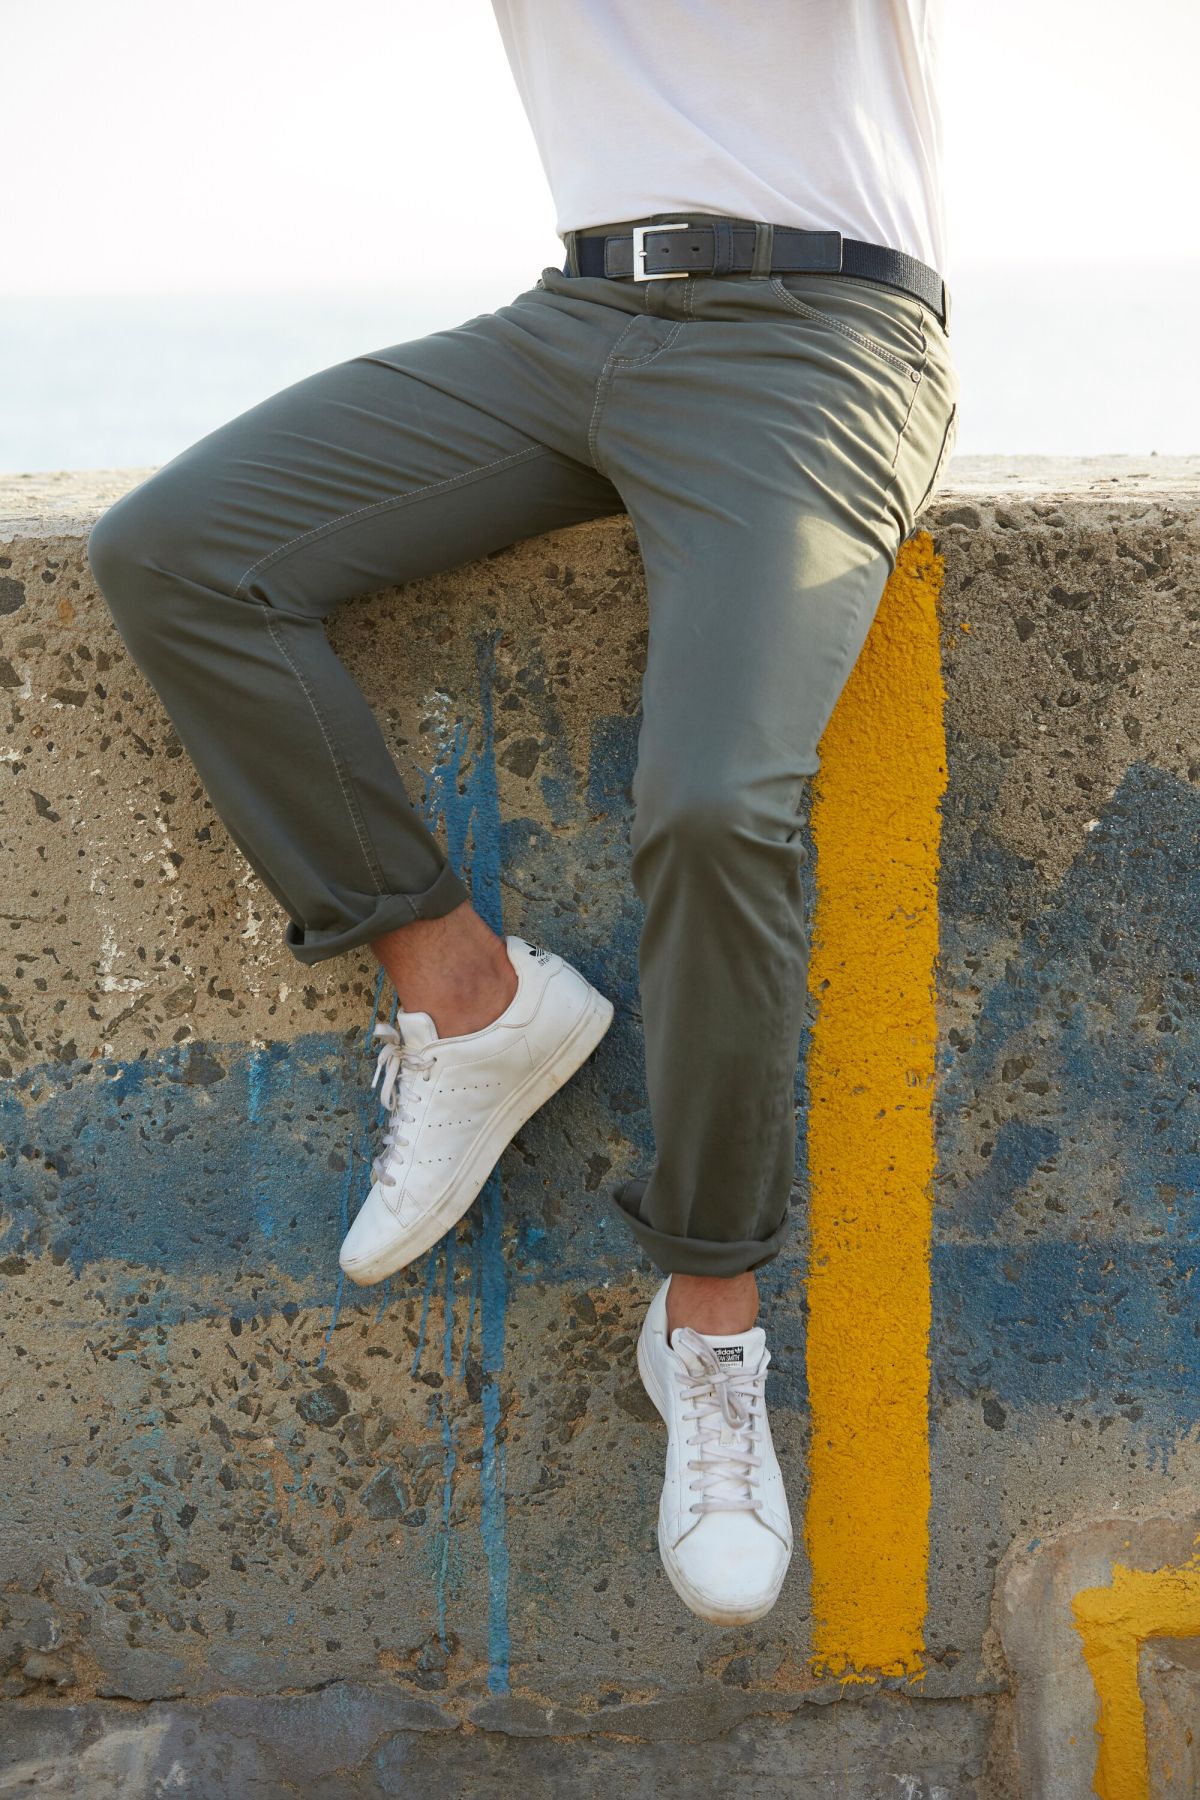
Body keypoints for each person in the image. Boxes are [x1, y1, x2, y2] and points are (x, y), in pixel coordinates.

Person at [86, 0, 958, 1627]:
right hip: (576, 321)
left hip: (822, 334)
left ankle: (708, 1326)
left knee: (716, 806)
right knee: (178, 554)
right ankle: (467, 995)